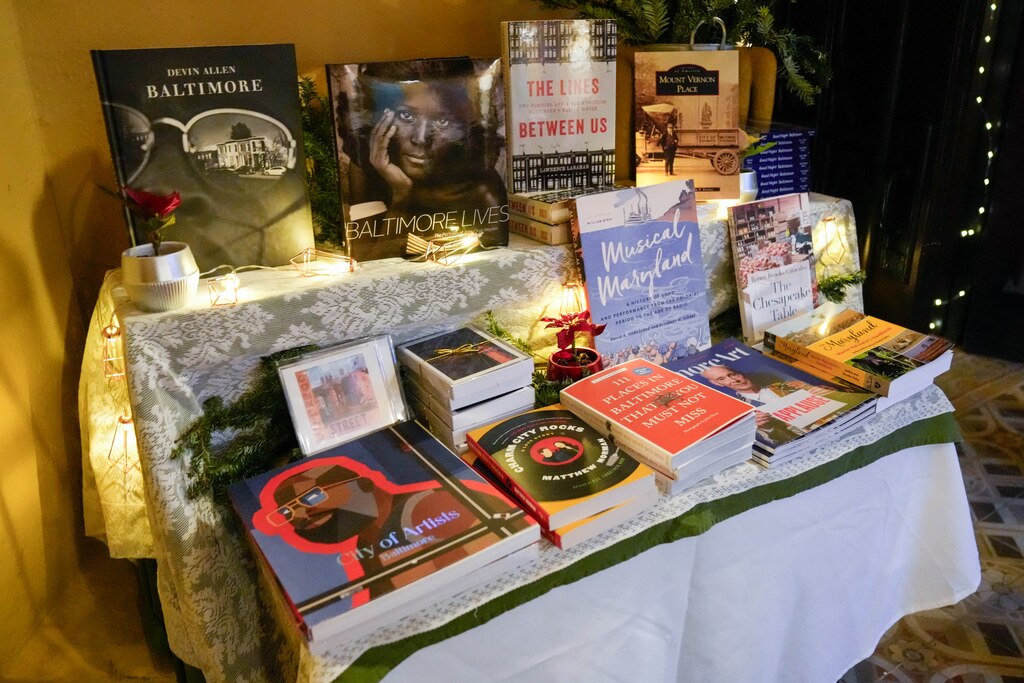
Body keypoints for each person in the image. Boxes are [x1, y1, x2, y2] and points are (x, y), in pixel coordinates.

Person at [346, 59, 507, 259]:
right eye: (406, 115)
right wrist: (401, 195)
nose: (420, 138)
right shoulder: (365, 161)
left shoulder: (481, 189)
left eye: (442, 121)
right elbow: (367, 259)